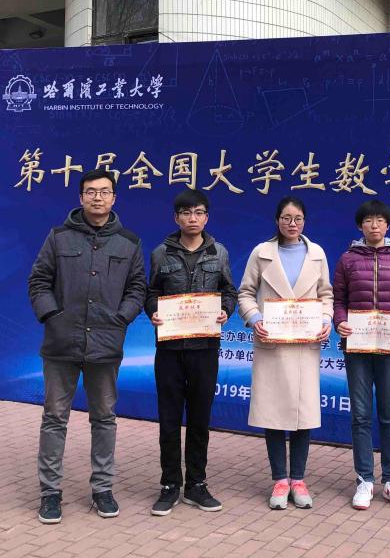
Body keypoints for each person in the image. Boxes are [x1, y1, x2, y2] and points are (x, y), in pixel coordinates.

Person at [28, 170, 146, 524]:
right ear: (80, 197)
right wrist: (53, 316)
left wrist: (120, 319)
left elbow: (137, 288)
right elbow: (39, 281)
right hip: (61, 343)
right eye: (91, 192)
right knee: (54, 418)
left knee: (105, 418)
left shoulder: (129, 242)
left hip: (105, 345)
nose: (98, 198)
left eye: (104, 192)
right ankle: (50, 493)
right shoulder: (59, 237)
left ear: (114, 198)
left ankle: (103, 489)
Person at [237, 196, 334, 510]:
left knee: (304, 414)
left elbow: (326, 294)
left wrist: (326, 319)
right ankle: (280, 479)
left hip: (304, 345)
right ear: (277, 220)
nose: (292, 224)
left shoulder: (317, 253)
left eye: (298, 218)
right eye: (286, 218)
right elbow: (245, 292)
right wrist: (255, 318)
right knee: (274, 412)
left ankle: (299, 480)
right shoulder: (261, 253)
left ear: (305, 221)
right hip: (273, 345)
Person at [145, 189, 237, 516]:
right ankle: (170, 484)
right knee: (169, 418)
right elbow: (151, 292)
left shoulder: (219, 252)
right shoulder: (161, 253)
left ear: (206, 217)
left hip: (205, 348)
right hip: (169, 348)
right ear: (176, 218)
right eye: (186, 213)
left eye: (198, 213)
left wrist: (226, 310)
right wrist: (153, 311)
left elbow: (229, 291)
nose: (192, 218)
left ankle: (196, 484)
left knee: (200, 418)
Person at [333, 199, 390, 510]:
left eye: (379, 220)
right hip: (357, 347)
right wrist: (340, 321)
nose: (374, 225)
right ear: (360, 225)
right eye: (368, 220)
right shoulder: (347, 259)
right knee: (360, 415)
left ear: (387, 225)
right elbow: (338, 299)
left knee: (389, 414)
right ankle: (365, 479)